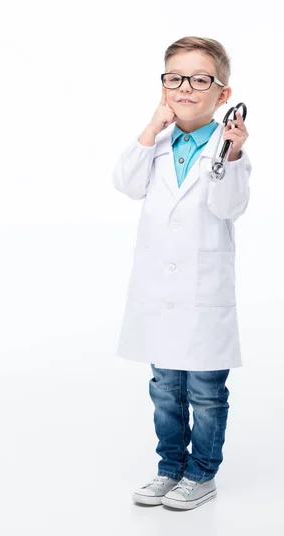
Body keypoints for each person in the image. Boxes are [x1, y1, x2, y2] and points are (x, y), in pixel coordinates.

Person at [112, 36, 252, 510]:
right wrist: (152, 126)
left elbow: (229, 204)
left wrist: (231, 156)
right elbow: (127, 183)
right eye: (175, 78)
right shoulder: (159, 141)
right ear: (163, 86)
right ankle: (169, 467)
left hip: (201, 294)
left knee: (206, 394)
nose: (185, 87)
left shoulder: (227, 148)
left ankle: (200, 473)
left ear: (223, 93)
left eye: (200, 79)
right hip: (158, 292)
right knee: (165, 391)